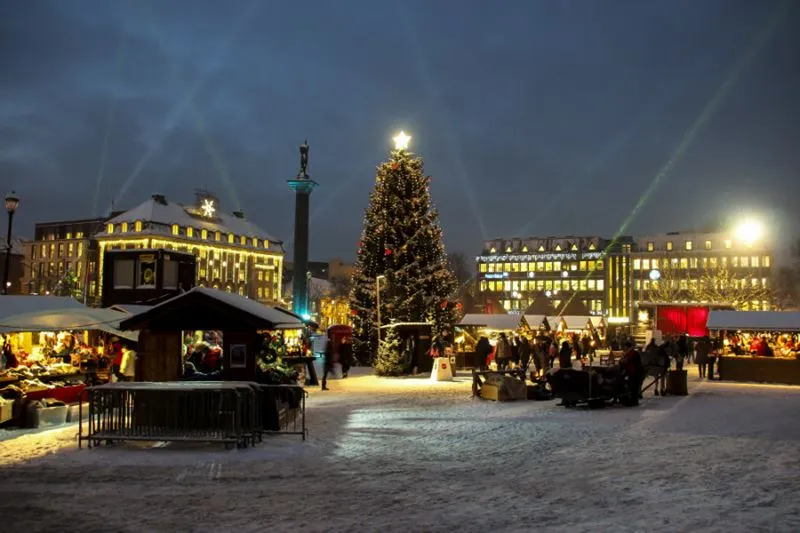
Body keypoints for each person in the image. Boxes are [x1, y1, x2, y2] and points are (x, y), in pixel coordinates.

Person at [621, 341, 643, 405]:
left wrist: (622, 360)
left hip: (634, 373)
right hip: (632, 372)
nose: (624, 348)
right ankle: (633, 399)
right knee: (632, 386)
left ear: (627, 347)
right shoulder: (630, 353)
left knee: (633, 387)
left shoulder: (632, 353)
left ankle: (633, 401)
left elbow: (625, 360)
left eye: (625, 346)